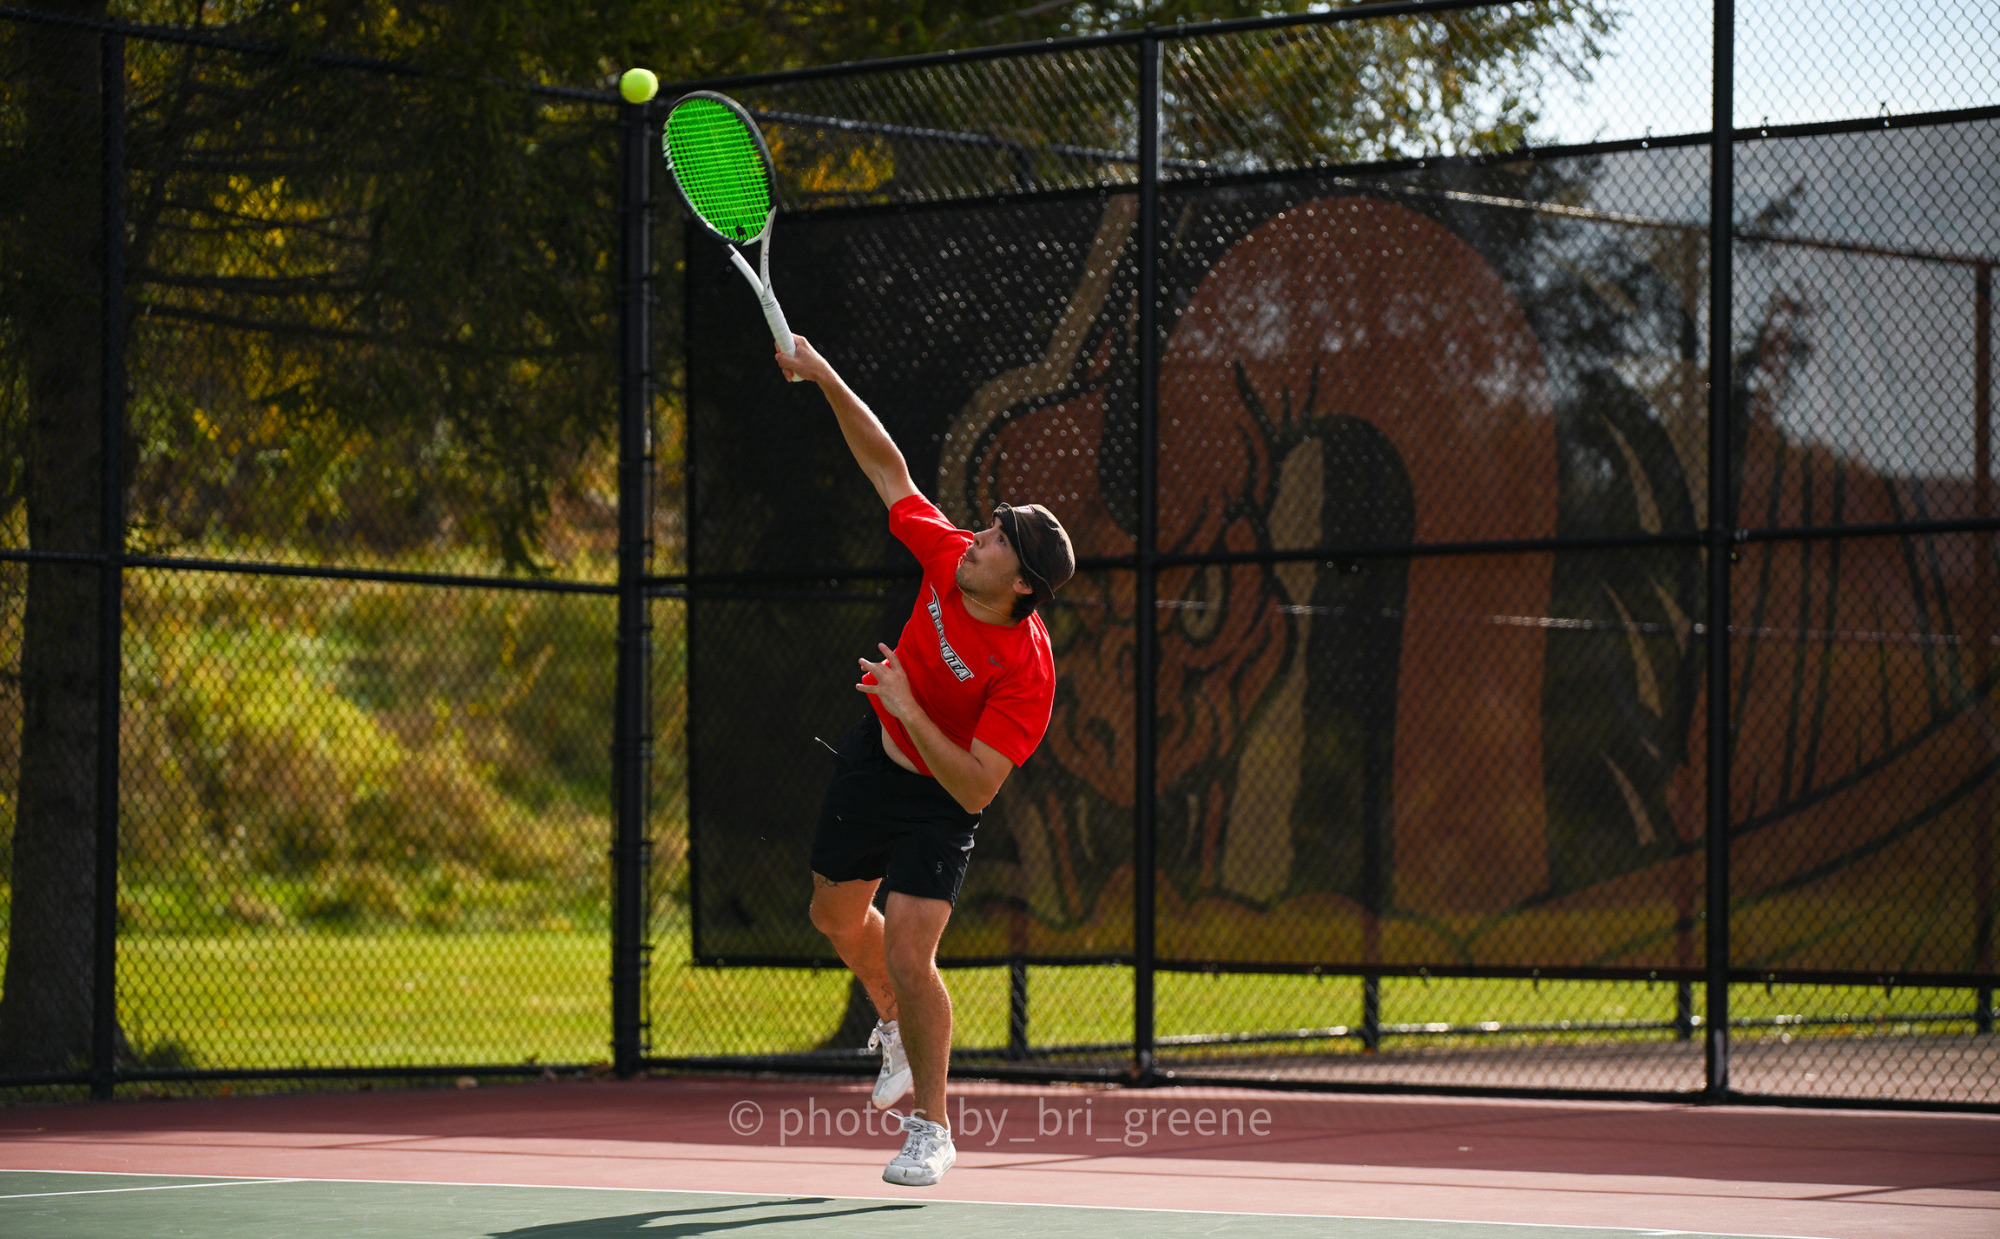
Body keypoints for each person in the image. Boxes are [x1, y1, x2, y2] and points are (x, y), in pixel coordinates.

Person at [774, 336, 1074, 1188]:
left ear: (1022, 583)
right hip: (877, 760)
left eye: (999, 539)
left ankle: (932, 1127)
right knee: (833, 917)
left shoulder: (1028, 670)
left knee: (912, 948)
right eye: (989, 527)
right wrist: (823, 370)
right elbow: (888, 470)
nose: (979, 536)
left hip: (945, 796)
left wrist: (908, 703)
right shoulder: (948, 559)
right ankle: (895, 1028)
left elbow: (978, 782)